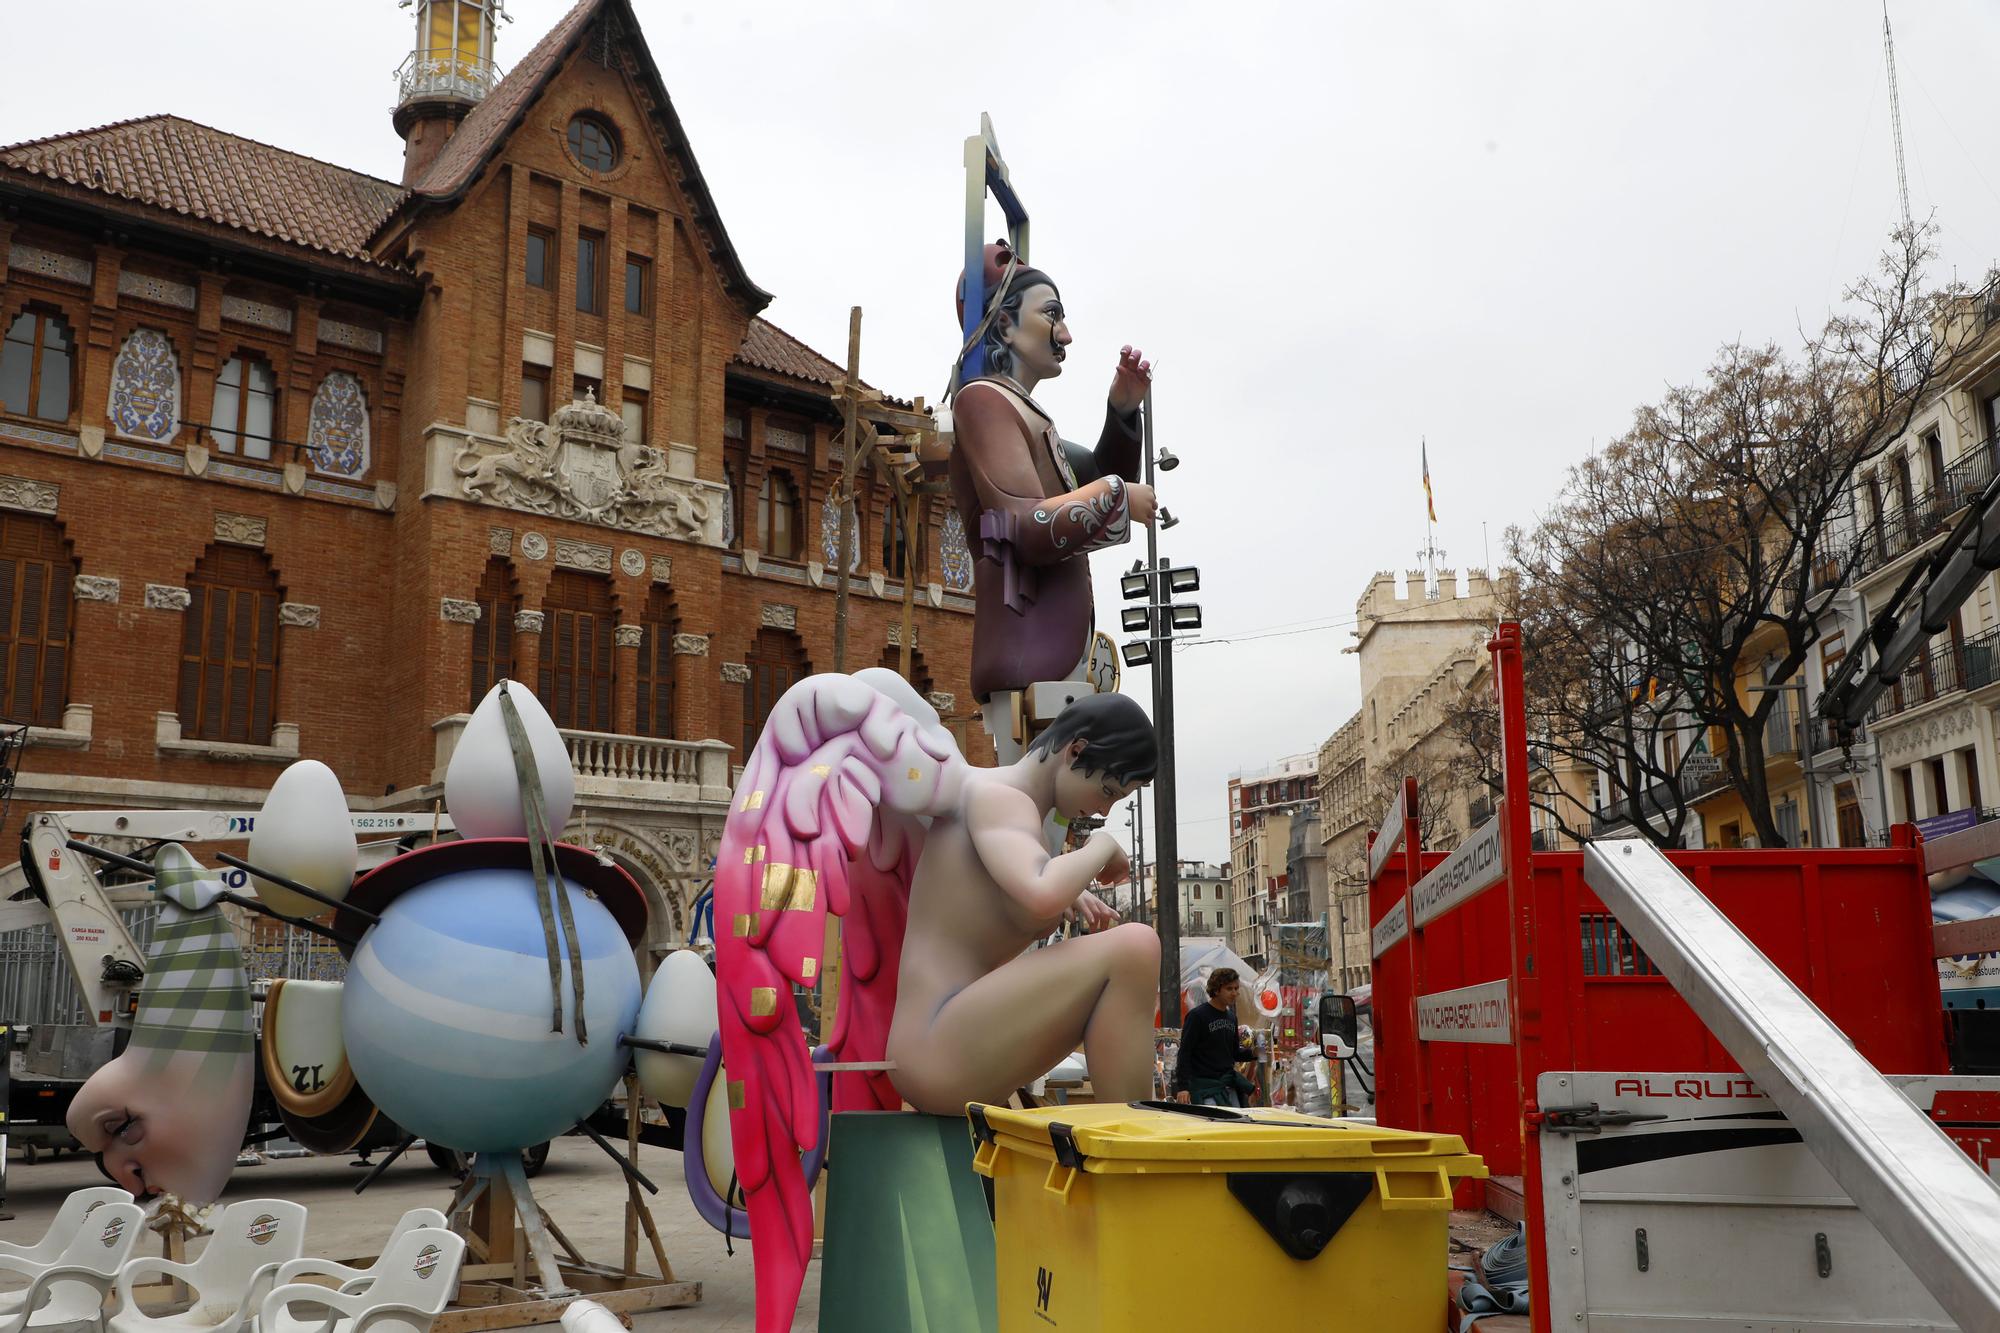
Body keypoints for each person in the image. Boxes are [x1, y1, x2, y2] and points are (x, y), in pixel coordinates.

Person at [886, 691, 1161, 1114]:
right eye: (1106, 789)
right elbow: (1040, 890)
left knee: (1129, 954)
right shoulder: (1000, 796)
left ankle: (1131, 1133)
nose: (1104, 808)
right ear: (1075, 751)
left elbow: (1028, 883)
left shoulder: (1017, 817)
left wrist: (1074, 889)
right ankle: (1136, 1147)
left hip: (952, 1039)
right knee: (1136, 947)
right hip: (935, 1045)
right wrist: (1102, 845)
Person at [949, 241, 1158, 757]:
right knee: (1028, 815)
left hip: (1052, 655)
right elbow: (1027, 524)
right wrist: (1116, 496)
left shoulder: (1026, 415)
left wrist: (1121, 413)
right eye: (1052, 315)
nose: (1065, 335)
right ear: (1003, 327)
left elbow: (1088, 475)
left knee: (1046, 824)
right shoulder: (983, 403)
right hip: (1026, 657)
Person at [1173, 968, 1256, 1108]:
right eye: (1229, 989)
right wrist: (1183, 1087)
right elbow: (1185, 1052)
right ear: (1216, 990)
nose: (1235, 993)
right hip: (1206, 1087)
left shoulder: (1231, 1018)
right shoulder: (1197, 1016)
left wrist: (1254, 1053)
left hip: (1228, 1084)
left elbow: (1233, 1052)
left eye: (1236, 988)